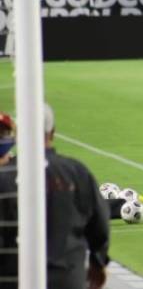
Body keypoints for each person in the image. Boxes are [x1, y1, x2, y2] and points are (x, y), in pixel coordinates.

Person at [0, 104, 110, 289]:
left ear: (18, 134)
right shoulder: (77, 173)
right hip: (67, 280)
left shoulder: (5, 177)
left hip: (14, 280)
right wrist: (98, 263)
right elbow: (100, 225)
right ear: (52, 132)